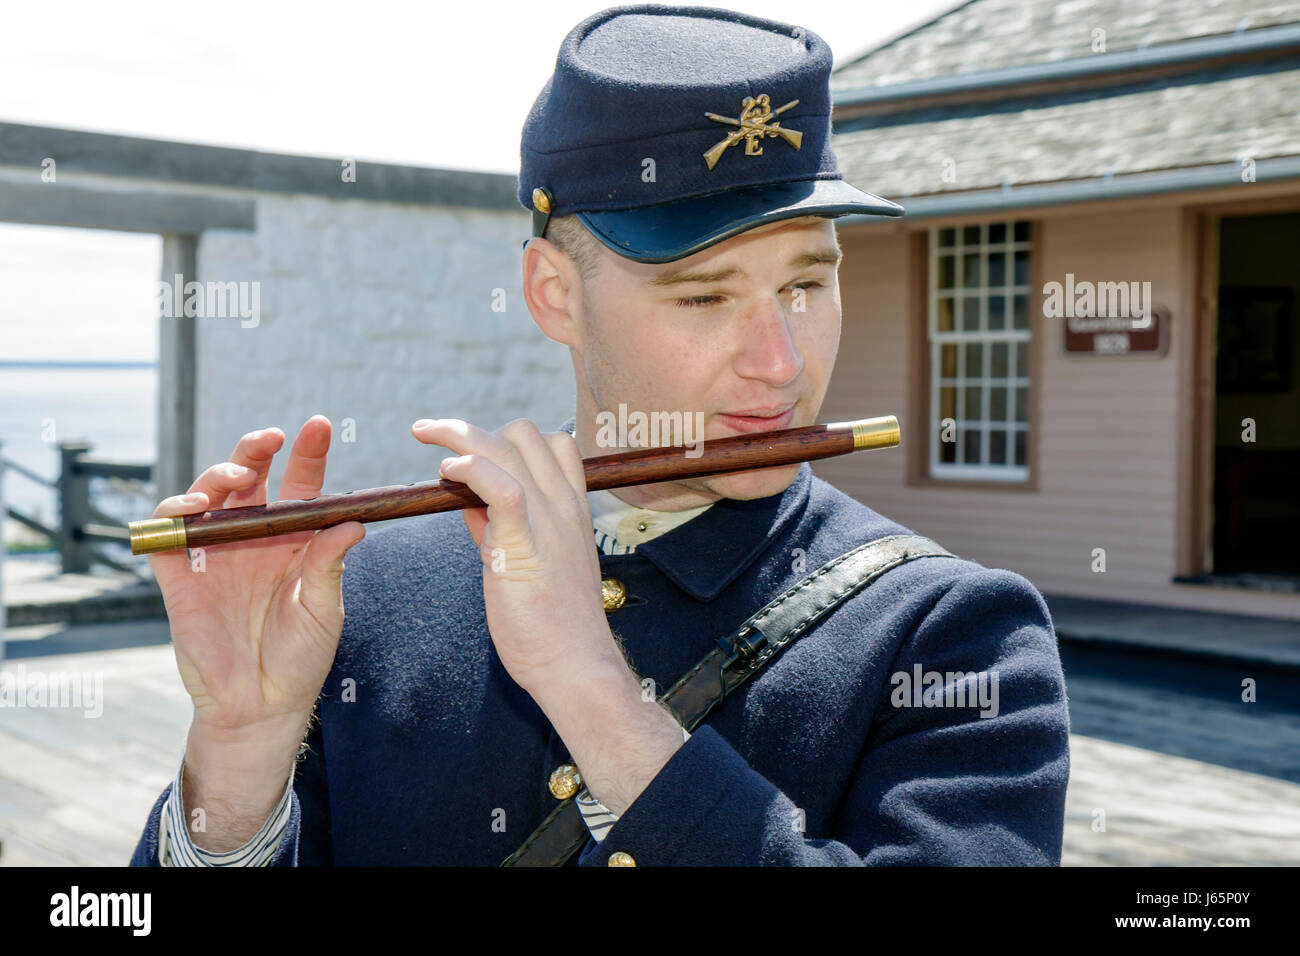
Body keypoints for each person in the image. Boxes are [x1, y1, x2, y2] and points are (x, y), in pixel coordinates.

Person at [130, 3, 1070, 867]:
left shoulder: (952, 631)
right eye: (705, 294)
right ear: (553, 293)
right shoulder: (367, 596)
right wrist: (241, 754)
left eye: (806, 284)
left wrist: (592, 684)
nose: (782, 364)